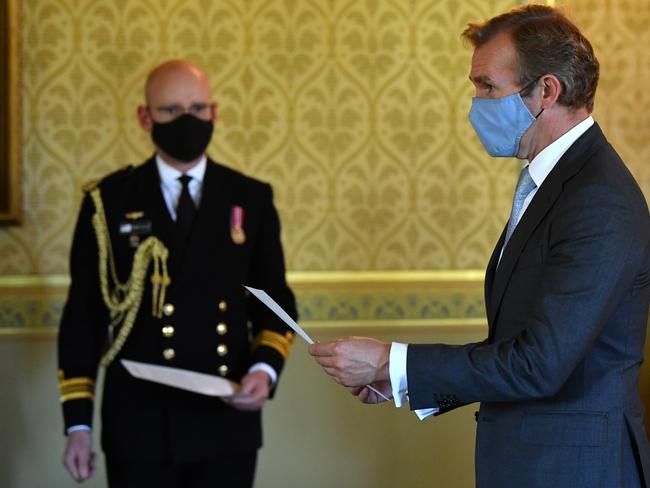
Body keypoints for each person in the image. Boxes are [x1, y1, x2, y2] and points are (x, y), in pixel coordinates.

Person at [309, 5, 650, 487]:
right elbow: (517, 346)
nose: (476, 103)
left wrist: (391, 360)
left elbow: (539, 365)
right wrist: (400, 379)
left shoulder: (598, 198)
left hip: (573, 470)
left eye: (488, 86)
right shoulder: (560, 182)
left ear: (546, 91)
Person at [57, 59, 297, 488]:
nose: (187, 120)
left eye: (198, 108)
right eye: (171, 111)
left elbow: (273, 301)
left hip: (226, 419)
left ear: (215, 113)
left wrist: (264, 370)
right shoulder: (107, 201)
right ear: (145, 117)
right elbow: (84, 317)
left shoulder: (250, 197)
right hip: (138, 423)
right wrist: (78, 425)